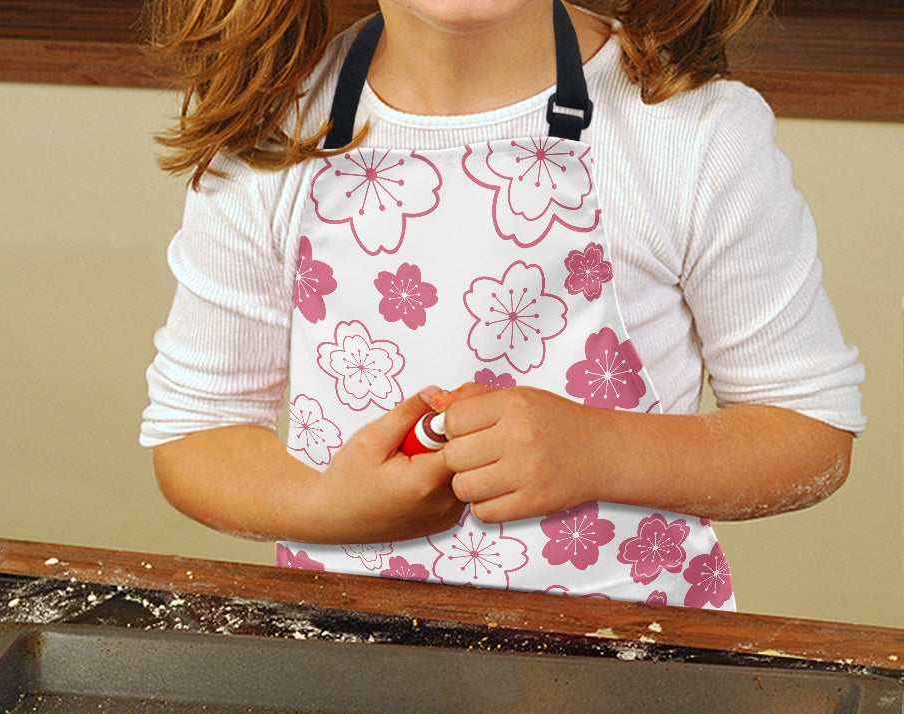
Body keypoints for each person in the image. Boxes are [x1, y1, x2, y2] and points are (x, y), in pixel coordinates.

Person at [140, 0, 865, 609]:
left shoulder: (693, 133)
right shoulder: (270, 132)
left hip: (639, 670)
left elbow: (808, 433)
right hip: (346, 665)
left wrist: (601, 451)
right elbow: (199, 431)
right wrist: (326, 507)